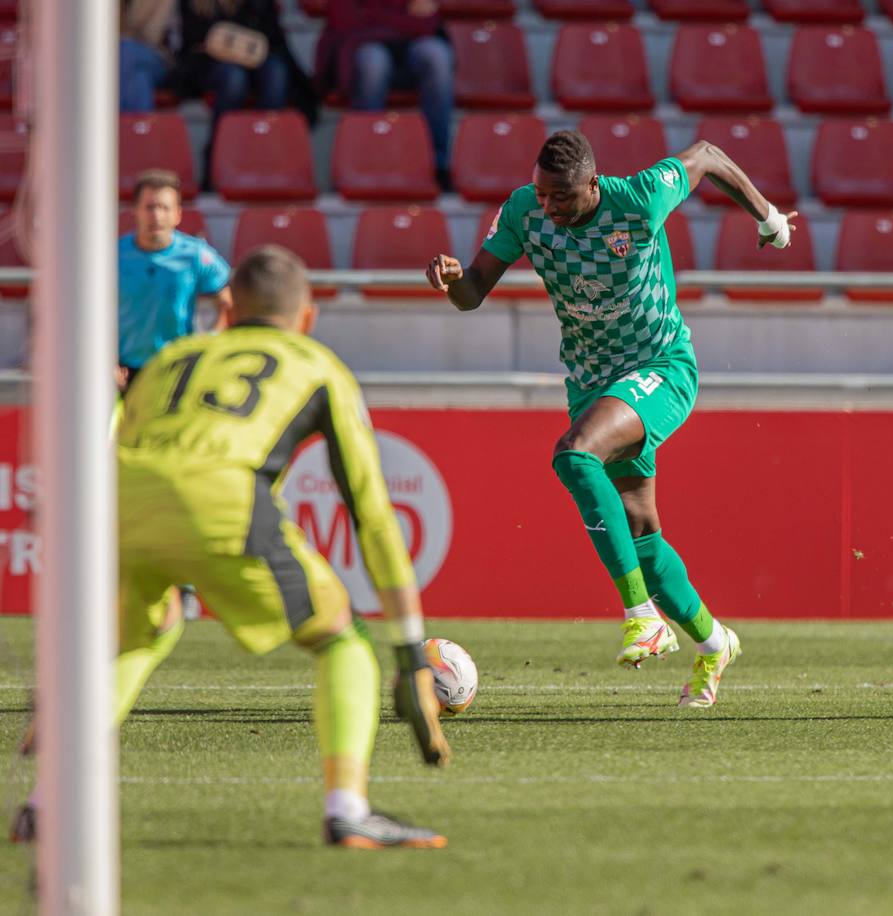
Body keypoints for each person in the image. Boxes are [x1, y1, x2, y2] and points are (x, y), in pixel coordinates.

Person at [12, 246, 451, 848]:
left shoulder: (173, 356)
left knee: (147, 631)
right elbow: (372, 516)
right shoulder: (317, 364)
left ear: (228, 307)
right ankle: (347, 809)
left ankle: (48, 802)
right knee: (340, 637)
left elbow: (112, 451)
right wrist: (410, 659)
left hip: (117, 503)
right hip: (224, 502)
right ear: (307, 316)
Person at [424, 130, 796, 708]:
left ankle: (640, 616)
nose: (549, 208)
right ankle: (714, 642)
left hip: (660, 367)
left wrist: (768, 216)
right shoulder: (525, 210)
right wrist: (451, 282)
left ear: (592, 185)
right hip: (593, 384)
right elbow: (474, 292)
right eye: (542, 194)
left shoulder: (640, 197)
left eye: (562, 199)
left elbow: (707, 155)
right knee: (642, 535)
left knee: (575, 453)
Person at [314, 0, 454, 188]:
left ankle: (437, 163)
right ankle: (367, 158)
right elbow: (346, 22)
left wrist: (377, 20)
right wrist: (406, 20)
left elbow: (429, 23)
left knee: (438, 55)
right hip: (364, 46)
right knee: (374, 62)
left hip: (407, 49)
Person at [178, 0, 320, 180]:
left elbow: (270, 35)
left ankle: (266, 153)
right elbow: (195, 39)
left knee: (276, 73)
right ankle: (220, 155)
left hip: (255, 59)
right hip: (209, 63)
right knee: (234, 79)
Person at [119, 169, 233, 391]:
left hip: (178, 368)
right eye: (150, 207)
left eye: (164, 208)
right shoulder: (112, 256)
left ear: (177, 214)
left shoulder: (195, 255)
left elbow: (228, 302)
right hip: (123, 371)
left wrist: (209, 343)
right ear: (135, 211)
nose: (157, 216)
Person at [120, 0, 178, 112]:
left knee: (127, 50)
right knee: (140, 78)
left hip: (171, 63)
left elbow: (149, 35)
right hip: (139, 58)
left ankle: (116, 125)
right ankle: (140, 126)